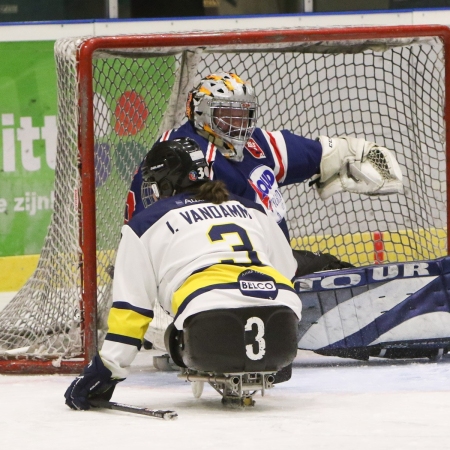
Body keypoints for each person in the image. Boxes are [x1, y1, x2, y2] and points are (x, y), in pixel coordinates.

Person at [65, 138, 302, 410]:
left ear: (166, 182)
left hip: (211, 333)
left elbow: (132, 308)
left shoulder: (144, 223)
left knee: (173, 334)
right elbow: (287, 271)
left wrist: (105, 373)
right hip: (282, 334)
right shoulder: (254, 209)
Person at [125, 72, 403, 276]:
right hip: (212, 273)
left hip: (270, 262)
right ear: (200, 113)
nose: (237, 126)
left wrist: (357, 154)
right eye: (226, 116)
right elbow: (156, 229)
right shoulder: (181, 156)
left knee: (333, 271)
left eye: (242, 116)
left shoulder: (256, 143)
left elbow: (322, 154)